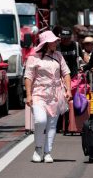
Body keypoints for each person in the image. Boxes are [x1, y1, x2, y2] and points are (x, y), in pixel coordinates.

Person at [24, 31, 72, 163]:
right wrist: (28, 95)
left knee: (52, 125)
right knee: (40, 121)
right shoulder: (33, 58)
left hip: (56, 94)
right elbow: (28, 77)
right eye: (53, 41)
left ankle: (47, 152)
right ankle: (38, 149)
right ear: (46, 43)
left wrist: (68, 90)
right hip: (38, 93)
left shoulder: (58, 56)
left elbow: (66, 73)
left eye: (56, 41)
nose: (56, 43)